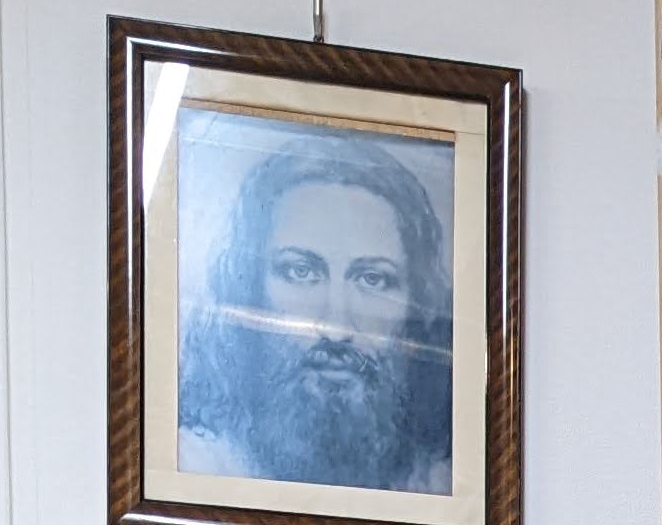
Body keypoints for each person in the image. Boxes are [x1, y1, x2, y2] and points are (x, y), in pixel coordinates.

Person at [179, 131, 455, 495]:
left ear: (416, 299)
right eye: (300, 272)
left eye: (373, 279)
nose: (336, 326)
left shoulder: (445, 483)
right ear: (250, 287)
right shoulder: (193, 464)